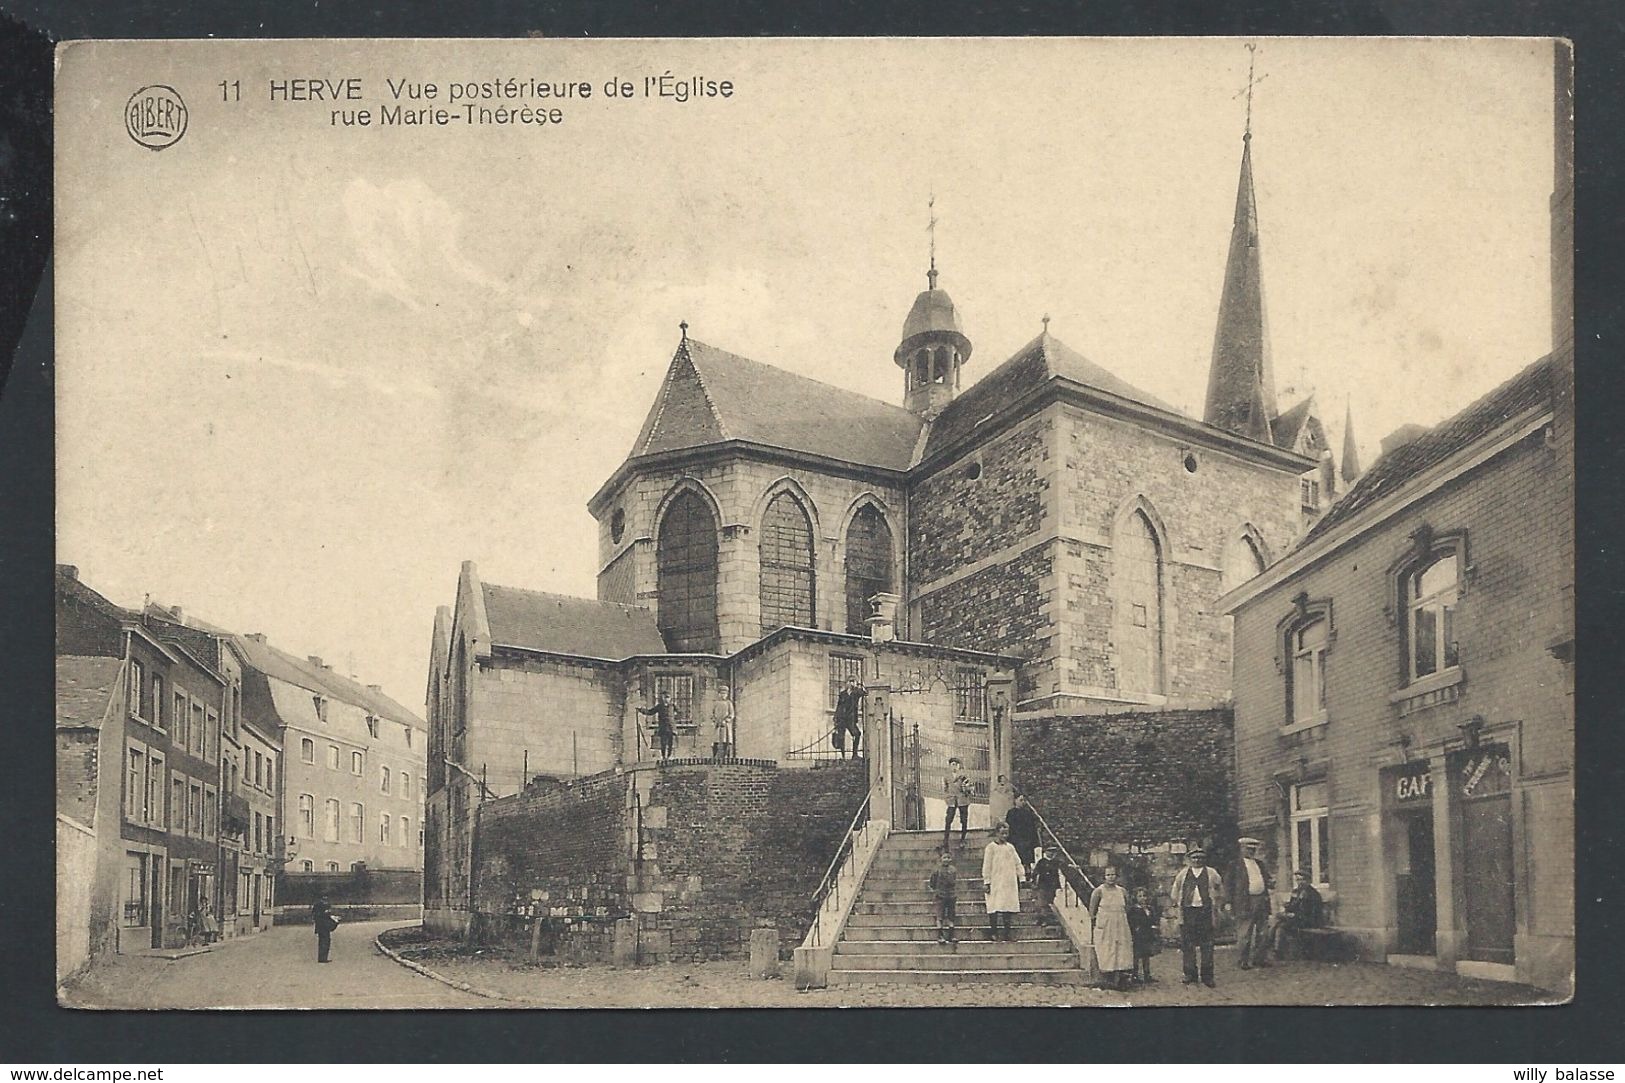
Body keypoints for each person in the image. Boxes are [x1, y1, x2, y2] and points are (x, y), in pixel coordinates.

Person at [1170, 847, 1223, 987]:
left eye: (1200, 857)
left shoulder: (1212, 873)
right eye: (1194, 858)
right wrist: (1176, 904)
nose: (1197, 860)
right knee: (1188, 945)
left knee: (1207, 945)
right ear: (1189, 859)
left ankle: (1207, 976)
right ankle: (1190, 974)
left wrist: (1217, 903)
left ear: (1204, 859)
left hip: (1205, 912)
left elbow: (1219, 888)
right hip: (1188, 912)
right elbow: (1175, 890)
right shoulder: (1183, 873)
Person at [1226, 836, 1274, 969]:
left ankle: (1260, 958)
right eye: (1248, 849)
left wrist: (1270, 883)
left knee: (1263, 932)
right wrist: (1228, 902)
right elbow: (1228, 885)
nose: (1251, 852)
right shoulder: (1235, 864)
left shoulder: (1260, 864)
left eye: (1253, 849)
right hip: (1245, 902)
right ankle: (1243, 960)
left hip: (1262, 901)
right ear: (1242, 849)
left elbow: (1267, 879)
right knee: (1245, 933)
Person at [1089, 866, 1136, 991]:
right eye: (1108, 875)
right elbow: (1092, 911)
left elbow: (1128, 907)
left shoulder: (1122, 891)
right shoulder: (1098, 891)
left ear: (1117, 876)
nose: (1111, 877)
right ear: (1104, 877)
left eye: (1113, 875)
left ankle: (1121, 980)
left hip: (1120, 924)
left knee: (1121, 950)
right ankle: (1105, 980)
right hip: (1105, 925)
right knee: (1106, 950)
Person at [981, 822, 1023, 941]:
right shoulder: (991, 847)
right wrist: (987, 881)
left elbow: (1017, 862)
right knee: (994, 905)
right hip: (995, 881)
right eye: (1002, 833)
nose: (1004, 836)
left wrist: (1022, 877)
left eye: (1006, 833)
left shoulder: (1010, 847)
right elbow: (987, 865)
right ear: (997, 833)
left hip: (1008, 881)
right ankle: (993, 931)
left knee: (1007, 906)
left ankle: (1007, 933)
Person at [1270, 869, 1325, 960]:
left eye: (1302, 880)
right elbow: (1292, 906)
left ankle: (1275, 950)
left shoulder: (1313, 894)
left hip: (1308, 921)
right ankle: (1274, 949)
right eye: (1298, 880)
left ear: (1308, 880)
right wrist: (1287, 907)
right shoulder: (1296, 892)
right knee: (1278, 920)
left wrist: (1294, 915)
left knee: (1280, 926)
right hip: (1297, 919)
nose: (1300, 882)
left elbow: (1313, 913)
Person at [1128, 885, 1161, 985]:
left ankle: (1147, 975)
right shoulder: (1134, 910)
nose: (1143, 898)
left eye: (1144, 896)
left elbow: (1153, 920)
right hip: (1138, 936)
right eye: (1140, 896)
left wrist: (1154, 927)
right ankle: (1134, 975)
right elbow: (1132, 922)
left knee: (1146, 956)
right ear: (1135, 898)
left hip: (1147, 935)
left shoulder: (1150, 909)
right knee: (1136, 956)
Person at [1004, 793, 1040, 879]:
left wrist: (1034, 840)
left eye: (1024, 800)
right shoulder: (1011, 813)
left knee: (1027, 858)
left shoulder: (1027, 813)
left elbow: (1032, 827)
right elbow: (1010, 827)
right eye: (1020, 800)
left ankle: (1028, 874)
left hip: (1027, 840)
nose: (1022, 802)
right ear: (1015, 801)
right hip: (1016, 840)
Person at [927, 850, 959, 945]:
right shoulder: (937, 870)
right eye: (944, 857)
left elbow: (953, 881)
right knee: (940, 915)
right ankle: (940, 935)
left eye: (948, 857)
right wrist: (936, 891)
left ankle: (951, 934)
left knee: (951, 915)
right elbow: (932, 882)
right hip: (940, 895)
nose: (946, 860)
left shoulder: (953, 870)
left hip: (951, 895)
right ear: (941, 859)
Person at [636, 691, 676, 760]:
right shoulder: (659, 706)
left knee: (670, 743)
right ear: (662, 698)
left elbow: (680, 712)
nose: (665, 699)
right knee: (663, 743)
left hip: (671, 727)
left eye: (667, 697)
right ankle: (664, 757)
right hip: (663, 727)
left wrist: (674, 719)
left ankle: (669, 756)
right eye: (664, 697)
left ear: (670, 698)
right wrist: (641, 710)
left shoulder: (672, 706)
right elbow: (650, 712)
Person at [942, 757, 972, 848]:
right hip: (952, 800)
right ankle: (945, 840)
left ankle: (963, 839)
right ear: (950, 766)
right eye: (953, 764)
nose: (955, 766)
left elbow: (969, 787)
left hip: (962, 800)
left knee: (964, 820)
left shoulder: (963, 776)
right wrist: (947, 798)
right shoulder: (947, 776)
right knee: (948, 819)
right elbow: (945, 788)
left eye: (956, 764)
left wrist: (966, 789)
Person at [833, 677, 865, 758]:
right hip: (842, 719)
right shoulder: (842, 694)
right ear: (846, 683)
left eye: (853, 681)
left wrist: (859, 686)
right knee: (841, 737)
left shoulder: (856, 692)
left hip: (851, 719)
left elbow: (864, 692)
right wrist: (836, 717)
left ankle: (855, 754)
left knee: (857, 734)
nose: (851, 683)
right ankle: (843, 755)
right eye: (849, 681)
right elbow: (839, 706)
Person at [1032, 845, 1063, 926]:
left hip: (1052, 886)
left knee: (1049, 902)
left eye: (1053, 851)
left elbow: (1059, 874)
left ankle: (1046, 919)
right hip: (1042, 885)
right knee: (1041, 903)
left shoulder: (1056, 862)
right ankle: (1041, 919)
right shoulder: (1041, 862)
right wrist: (1034, 882)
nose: (1051, 853)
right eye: (1049, 851)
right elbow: (1035, 873)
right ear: (1045, 852)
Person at [711, 683, 735, 760]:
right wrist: (715, 720)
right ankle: (714, 756)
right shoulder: (715, 703)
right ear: (719, 694)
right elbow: (712, 714)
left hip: (725, 725)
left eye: (724, 693)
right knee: (715, 741)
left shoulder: (729, 703)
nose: (723, 695)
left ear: (727, 695)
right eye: (721, 693)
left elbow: (732, 714)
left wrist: (726, 720)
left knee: (726, 740)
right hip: (717, 725)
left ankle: (726, 756)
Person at [312, 896, 340, 963]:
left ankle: (322, 957)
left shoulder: (317, 905)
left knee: (322, 941)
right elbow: (325, 915)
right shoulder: (323, 906)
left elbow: (315, 915)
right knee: (325, 941)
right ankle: (323, 958)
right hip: (324, 926)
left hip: (320, 926)